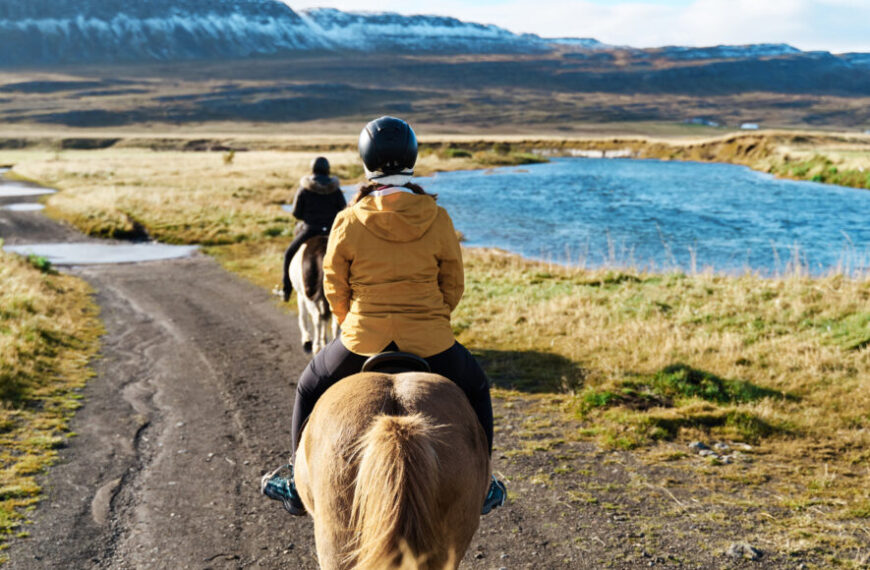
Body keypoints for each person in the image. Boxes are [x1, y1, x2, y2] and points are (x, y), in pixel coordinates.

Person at [262, 116, 506, 517]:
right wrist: (431, 319)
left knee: (308, 386)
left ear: (366, 161)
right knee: (478, 388)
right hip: (431, 339)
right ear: (412, 158)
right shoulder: (438, 217)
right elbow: (453, 285)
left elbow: (334, 287)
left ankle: (293, 479)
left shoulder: (349, 219)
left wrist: (350, 322)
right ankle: (485, 483)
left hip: (362, 339)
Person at [281, 156, 346, 302]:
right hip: (331, 231)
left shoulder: (305, 188)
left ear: (313, 170)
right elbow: (343, 210)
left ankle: (286, 290)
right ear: (327, 170)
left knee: (288, 254)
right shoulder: (335, 189)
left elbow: (296, 213)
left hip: (309, 230)